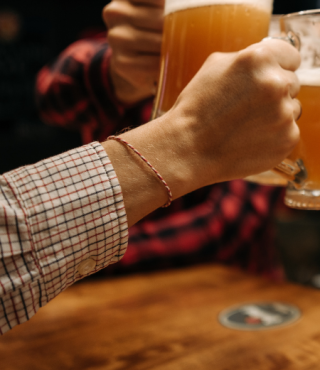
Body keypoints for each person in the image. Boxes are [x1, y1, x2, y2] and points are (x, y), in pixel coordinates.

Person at [34, 0, 282, 278]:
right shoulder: (123, 50)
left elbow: (230, 224)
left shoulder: (274, 73)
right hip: (113, 308)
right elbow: (53, 92)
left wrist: (76, 256)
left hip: (240, 299)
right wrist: (120, 75)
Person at [3, 37, 301, 334]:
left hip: (239, 311)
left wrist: (85, 258)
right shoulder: (129, 49)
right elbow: (50, 93)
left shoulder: (262, 74)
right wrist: (118, 69)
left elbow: (227, 225)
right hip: (110, 314)